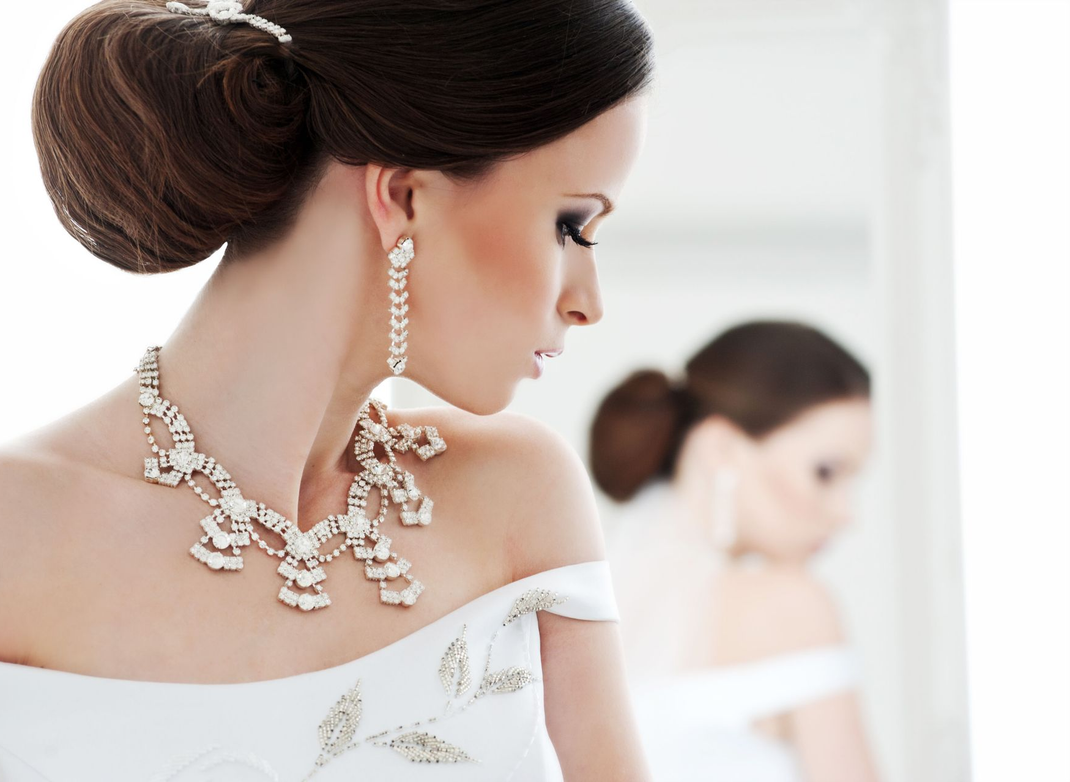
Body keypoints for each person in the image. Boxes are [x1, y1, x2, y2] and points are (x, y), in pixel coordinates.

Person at [0, 1, 654, 780]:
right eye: (571, 226)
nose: (589, 301)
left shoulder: (520, 495)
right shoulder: (20, 536)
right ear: (405, 197)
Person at [591, 319, 882, 782]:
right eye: (826, 472)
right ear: (721, 446)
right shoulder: (794, 606)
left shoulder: (585, 609)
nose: (847, 514)